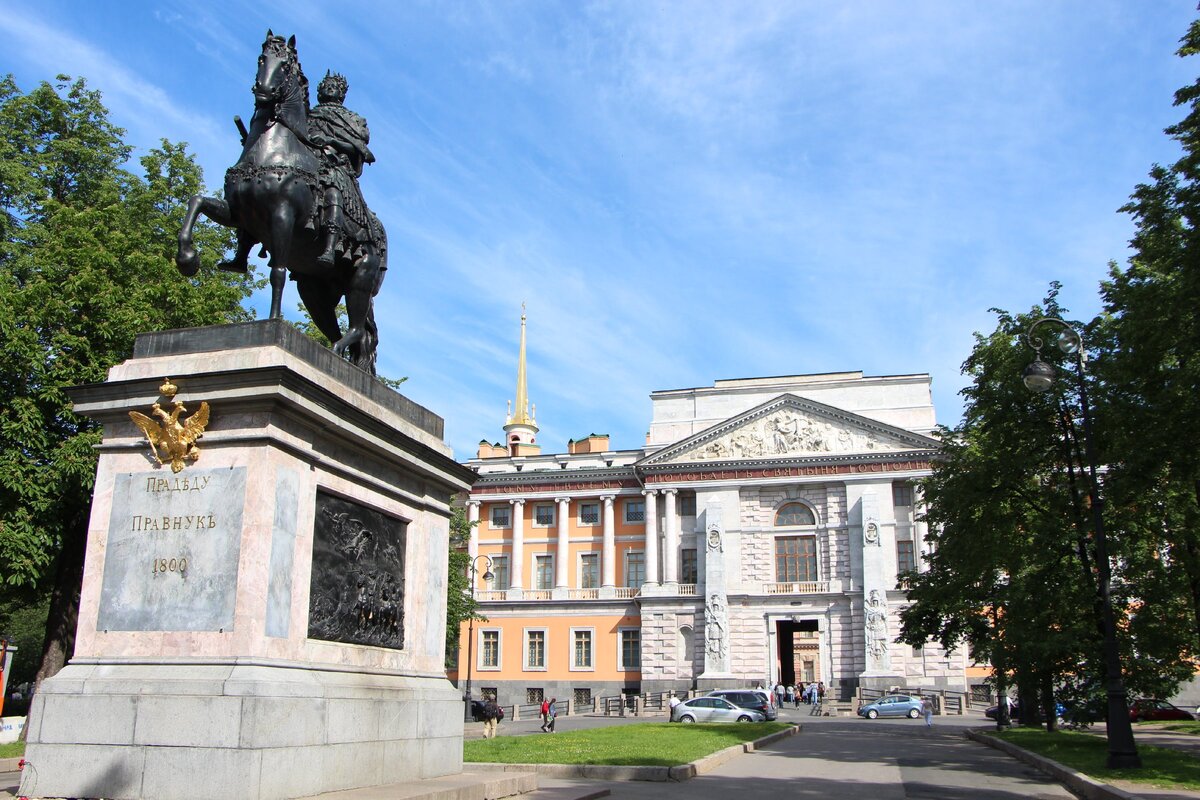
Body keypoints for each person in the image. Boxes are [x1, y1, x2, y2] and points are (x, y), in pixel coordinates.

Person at [308, 71, 375, 267]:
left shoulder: (352, 120)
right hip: (310, 161)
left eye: (334, 86)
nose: (330, 88)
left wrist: (330, 140)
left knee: (333, 189)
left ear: (341, 93)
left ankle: (330, 245)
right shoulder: (309, 114)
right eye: (326, 85)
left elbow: (358, 148)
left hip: (336, 164)